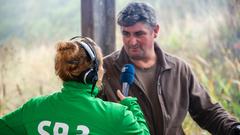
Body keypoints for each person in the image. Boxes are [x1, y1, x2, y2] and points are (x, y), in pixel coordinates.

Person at [98, 2, 240, 135]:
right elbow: (92, 117)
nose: (132, 41)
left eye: (139, 34)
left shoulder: (179, 69)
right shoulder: (104, 70)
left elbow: (207, 112)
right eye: (126, 34)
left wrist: (233, 129)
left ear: (155, 30)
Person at [0, 36, 150, 135]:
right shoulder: (118, 116)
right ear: (92, 74)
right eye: (101, 66)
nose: (103, 70)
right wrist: (132, 106)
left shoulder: (33, 108)